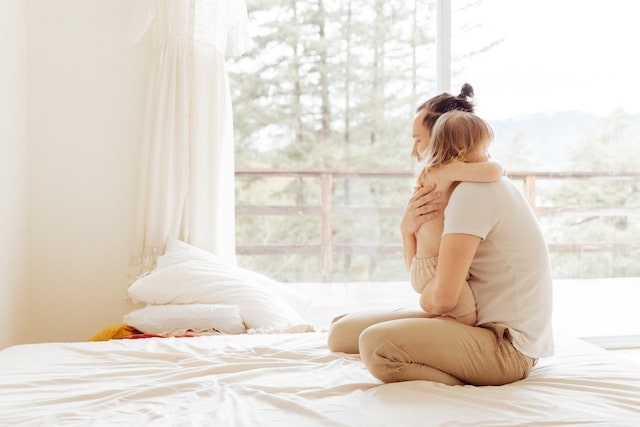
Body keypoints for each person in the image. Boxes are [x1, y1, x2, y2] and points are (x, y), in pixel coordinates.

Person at [327, 84, 554, 386]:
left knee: (375, 345)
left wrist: (428, 303)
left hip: (506, 346)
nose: (413, 152)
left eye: (417, 141)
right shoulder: (453, 189)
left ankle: (457, 386)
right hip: (472, 322)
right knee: (340, 332)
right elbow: (423, 277)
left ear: (441, 139)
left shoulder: (473, 194)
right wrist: (407, 231)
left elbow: (443, 299)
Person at [410, 110, 504, 327]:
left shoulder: (431, 172)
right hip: (436, 268)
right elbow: (492, 172)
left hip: (422, 264)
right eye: (485, 149)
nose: (487, 155)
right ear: (463, 152)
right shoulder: (448, 170)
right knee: (467, 319)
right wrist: (500, 165)